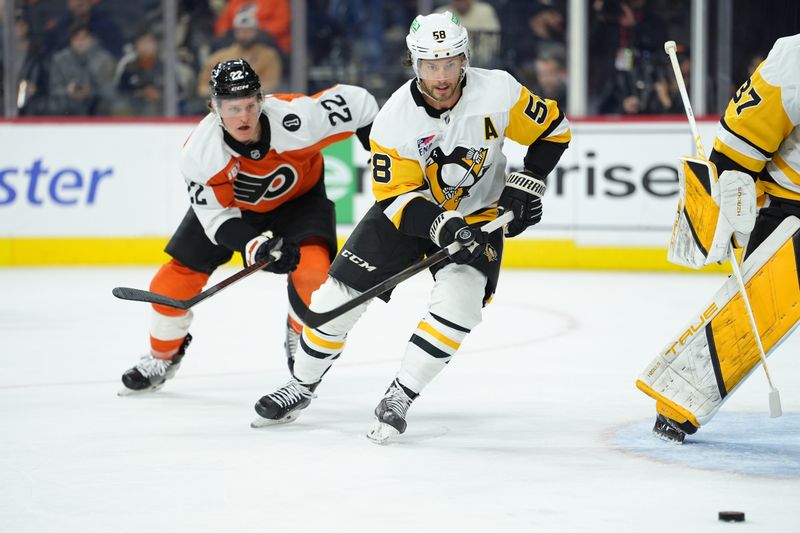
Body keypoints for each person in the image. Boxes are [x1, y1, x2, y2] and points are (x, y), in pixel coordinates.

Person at [251, 12, 571, 443]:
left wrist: (526, 181)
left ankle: (400, 395)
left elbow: (553, 130)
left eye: (450, 63)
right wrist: (445, 226)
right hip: (409, 213)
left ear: (465, 60)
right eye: (430, 65)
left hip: (478, 216)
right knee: (333, 298)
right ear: (414, 64)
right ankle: (301, 385)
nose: (441, 76)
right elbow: (397, 198)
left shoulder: (499, 90)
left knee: (461, 304)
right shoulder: (394, 121)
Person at [119, 58, 378, 395]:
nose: (242, 116)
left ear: (262, 100)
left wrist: (381, 157)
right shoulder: (201, 153)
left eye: (249, 105)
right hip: (234, 211)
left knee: (313, 274)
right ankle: (162, 357)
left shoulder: (296, 117)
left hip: (300, 201)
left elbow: (359, 104)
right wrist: (255, 245)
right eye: (230, 107)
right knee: (169, 285)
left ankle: (298, 332)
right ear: (214, 107)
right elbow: (217, 219)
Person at [638, 33, 800, 443]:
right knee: (758, 310)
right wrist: (722, 204)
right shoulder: (795, 57)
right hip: (793, 207)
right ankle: (681, 399)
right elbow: (738, 141)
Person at [198, 4, 283, 98]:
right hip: (224, 104)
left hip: (258, 102)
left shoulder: (269, 56)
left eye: (248, 31)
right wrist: (226, 91)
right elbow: (203, 88)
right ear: (234, 32)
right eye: (241, 31)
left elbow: (271, 85)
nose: (244, 35)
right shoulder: (220, 57)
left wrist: (241, 90)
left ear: (257, 31)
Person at [48, 23, 116, 115]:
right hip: (66, 107)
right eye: (76, 39)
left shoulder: (104, 60)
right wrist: (68, 91)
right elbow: (53, 89)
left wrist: (90, 91)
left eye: (84, 39)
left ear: (92, 40)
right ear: (70, 41)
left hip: (96, 108)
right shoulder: (59, 60)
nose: (80, 43)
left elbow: (109, 91)